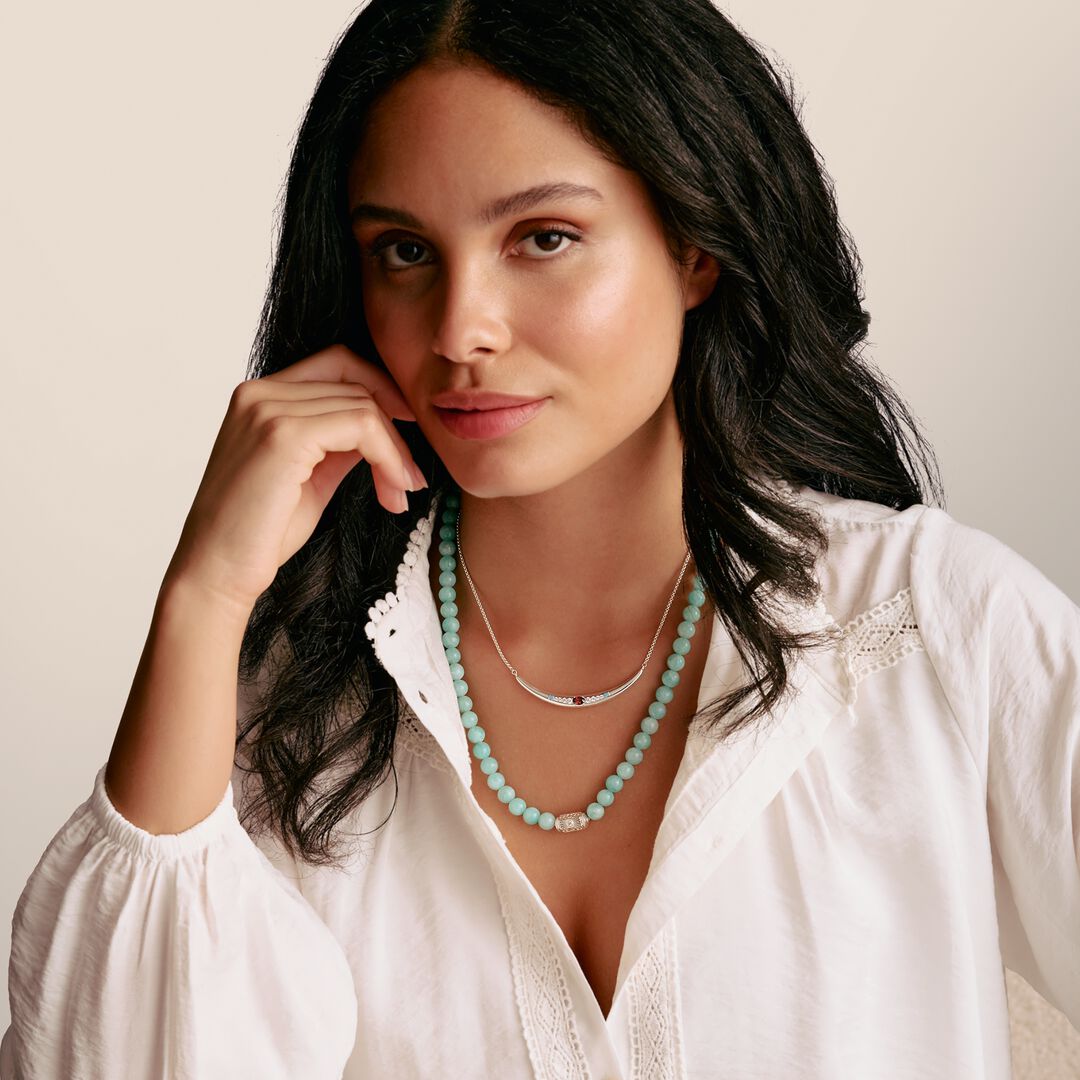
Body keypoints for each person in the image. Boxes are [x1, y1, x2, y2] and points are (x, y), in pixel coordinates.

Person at [3, 0, 1078, 1077]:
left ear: (695, 247)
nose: (463, 326)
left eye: (544, 238)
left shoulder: (939, 632)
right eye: (407, 250)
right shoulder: (282, 717)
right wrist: (201, 600)